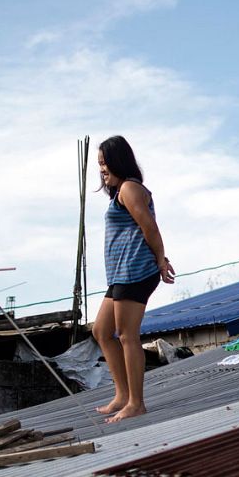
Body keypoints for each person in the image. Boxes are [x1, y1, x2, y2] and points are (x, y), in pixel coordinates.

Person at [91, 135, 174, 423]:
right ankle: (122, 395)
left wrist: (161, 260)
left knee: (127, 335)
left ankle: (136, 403)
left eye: (104, 163)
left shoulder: (130, 188)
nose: (101, 169)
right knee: (102, 331)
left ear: (118, 161)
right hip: (119, 274)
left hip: (135, 272)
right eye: (99, 164)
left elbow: (149, 227)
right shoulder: (119, 193)